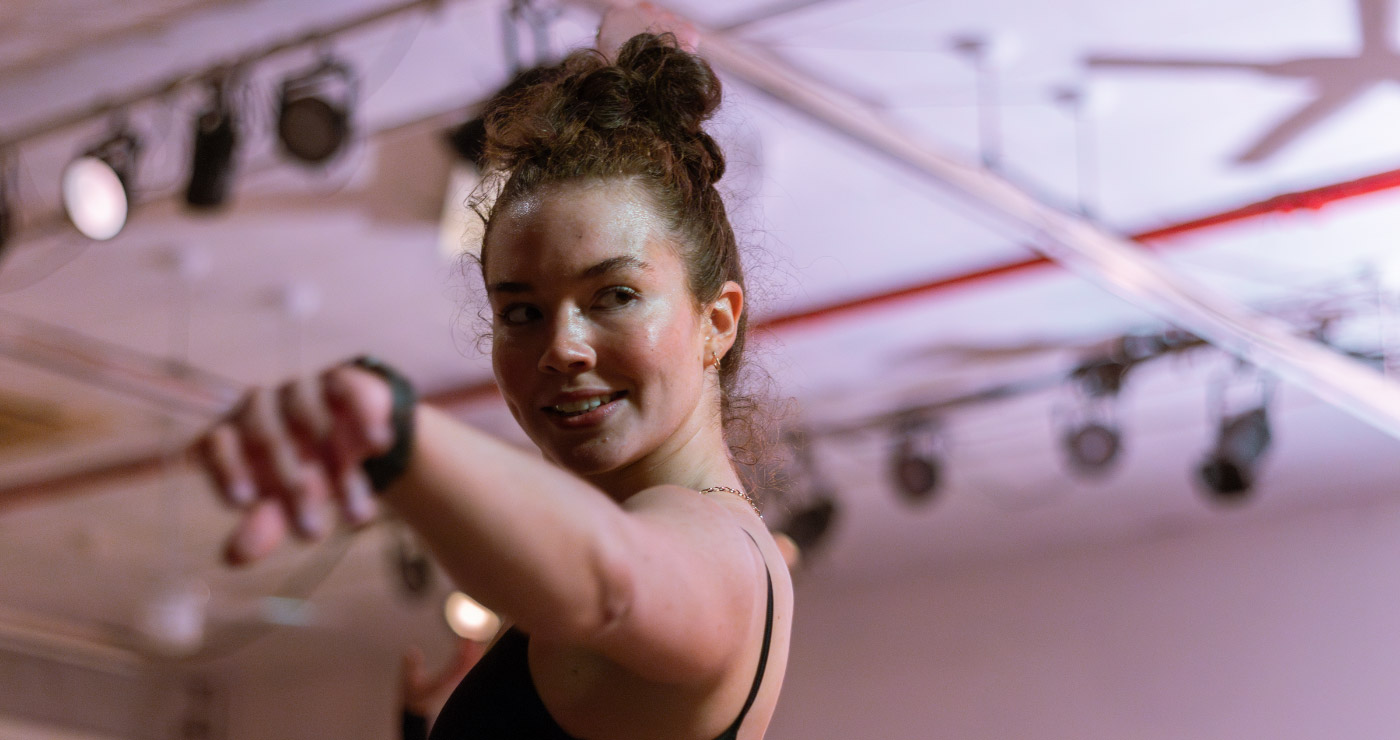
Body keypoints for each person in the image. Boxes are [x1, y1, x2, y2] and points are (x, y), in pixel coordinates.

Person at [193, 22, 793, 740]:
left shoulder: (718, 552)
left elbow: (611, 580)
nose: (561, 348)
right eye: (523, 312)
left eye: (615, 295)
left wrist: (399, 436)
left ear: (718, 320)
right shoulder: (689, 537)